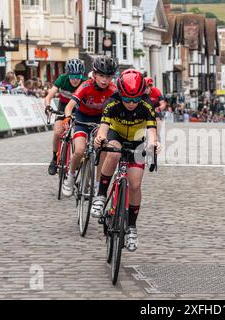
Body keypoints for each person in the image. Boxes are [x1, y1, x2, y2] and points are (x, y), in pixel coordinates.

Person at [91, 69, 160, 252]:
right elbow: (104, 127)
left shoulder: (147, 106)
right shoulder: (112, 102)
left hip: (137, 141)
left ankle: (131, 228)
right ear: (120, 94)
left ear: (141, 96)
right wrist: (100, 138)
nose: (131, 103)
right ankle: (101, 195)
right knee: (113, 153)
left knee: (135, 184)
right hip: (116, 136)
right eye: (127, 99)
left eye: (135, 99)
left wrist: (154, 144)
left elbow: (152, 132)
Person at [61, 56, 118, 197]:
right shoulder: (86, 86)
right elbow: (69, 107)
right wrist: (68, 117)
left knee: (103, 147)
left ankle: (97, 183)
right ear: (94, 74)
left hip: (100, 120)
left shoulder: (113, 89)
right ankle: (70, 177)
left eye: (108, 76)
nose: (105, 80)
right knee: (79, 150)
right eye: (101, 76)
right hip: (82, 118)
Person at [44, 58, 87, 176]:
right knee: (58, 132)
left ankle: (77, 159)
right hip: (63, 108)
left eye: (78, 76)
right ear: (68, 74)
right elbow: (48, 97)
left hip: (79, 109)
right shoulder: (62, 79)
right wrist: (48, 107)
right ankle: (54, 158)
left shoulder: (85, 82)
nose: (75, 79)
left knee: (80, 136)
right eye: (72, 76)